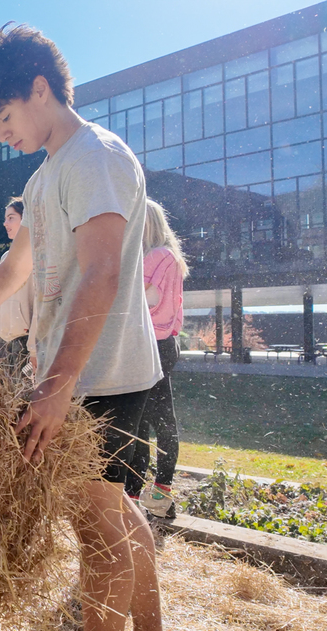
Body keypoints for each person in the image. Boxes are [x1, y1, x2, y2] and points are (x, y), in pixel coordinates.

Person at [0, 26, 164, 631]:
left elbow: (103, 272)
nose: (2, 133)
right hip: (75, 374)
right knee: (117, 514)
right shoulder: (44, 175)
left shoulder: (95, 157)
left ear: (40, 88)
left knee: (97, 530)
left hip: (99, 376)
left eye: (4, 116)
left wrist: (57, 383)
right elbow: (10, 271)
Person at [125, 200, 188, 519]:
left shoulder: (156, 256)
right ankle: (143, 494)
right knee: (149, 421)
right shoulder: (166, 256)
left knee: (152, 422)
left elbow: (147, 297)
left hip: (153, 344)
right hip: (159, 343)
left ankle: (153, 495)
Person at [0, 197, 34, 369]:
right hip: (2, 344)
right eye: (5, 218)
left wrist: (34, 347)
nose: (5, 223)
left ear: (26, 218)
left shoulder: (38, 255)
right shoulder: (5, 258)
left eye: (11, 217)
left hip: (25, 344)